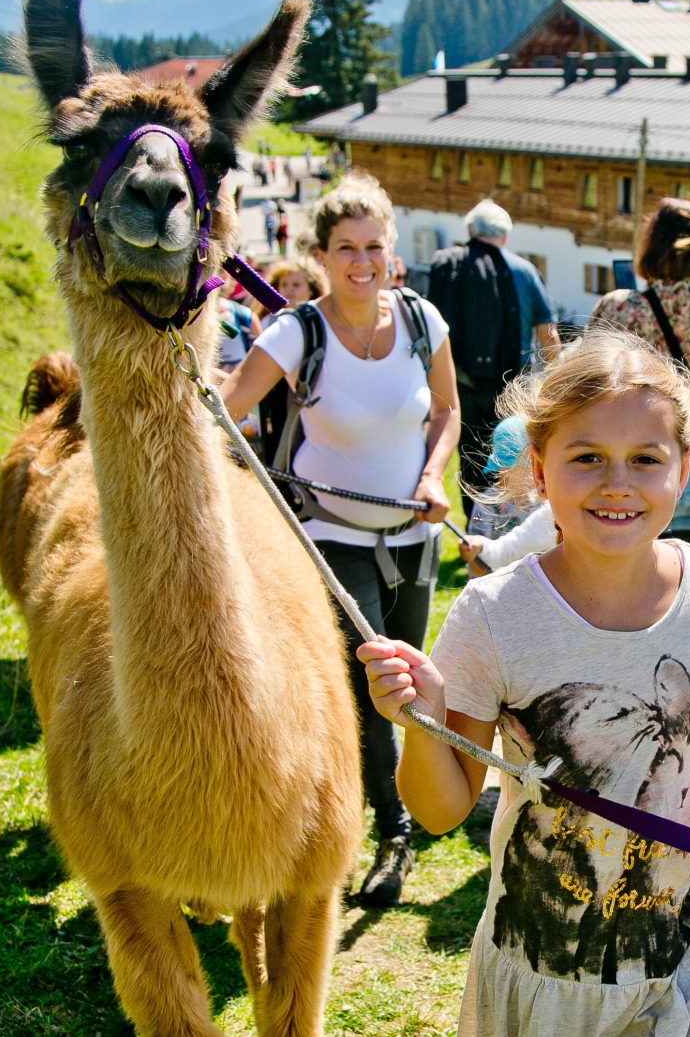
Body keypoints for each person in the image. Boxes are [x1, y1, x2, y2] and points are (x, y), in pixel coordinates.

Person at [356, 330, 690, 1037]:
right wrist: (422, 719)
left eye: (645, 459)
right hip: (553, 973)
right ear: (540, 472)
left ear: (683, 471)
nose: (617, 483)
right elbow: (441, 810)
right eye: (587, 457)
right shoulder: (493, 615)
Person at [219, 173, 461, 906]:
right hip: (330, 537)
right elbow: (224, 407)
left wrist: (433, 475)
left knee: (409, 683)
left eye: (374, 246)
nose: (362, 262)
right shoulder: (299, 332)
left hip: (413, 536)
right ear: (320, 254)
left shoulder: (422, 320)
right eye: (346, 248)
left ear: (391, 250)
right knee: (373, 684)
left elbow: (446, 410)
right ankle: (392, 835)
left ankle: (379, 809)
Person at [592, 199, 690, 545]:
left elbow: (591, 379)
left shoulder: (619, 307)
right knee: (682, 559)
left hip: (624, 456)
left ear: (651, 243)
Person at [426, 199, 561, 516]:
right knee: (512, 459)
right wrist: (557, 384)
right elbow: (548, 333)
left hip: (461, 384)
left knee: (470, 458)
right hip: (511, 388)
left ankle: (474, 524)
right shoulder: (524, 271)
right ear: (505, 236)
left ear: (470, 232)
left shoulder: (453, 266)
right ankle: (509, 527)